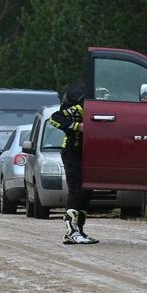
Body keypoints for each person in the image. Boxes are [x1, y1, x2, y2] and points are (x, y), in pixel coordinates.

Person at [48, 84, 95, 244]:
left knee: (87, 191)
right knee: (77, 188)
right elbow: (54, 119)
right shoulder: (81, 108)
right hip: (71, 152)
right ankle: (70, 232)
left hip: (87, 153)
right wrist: (77, 126)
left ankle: (79, 230)